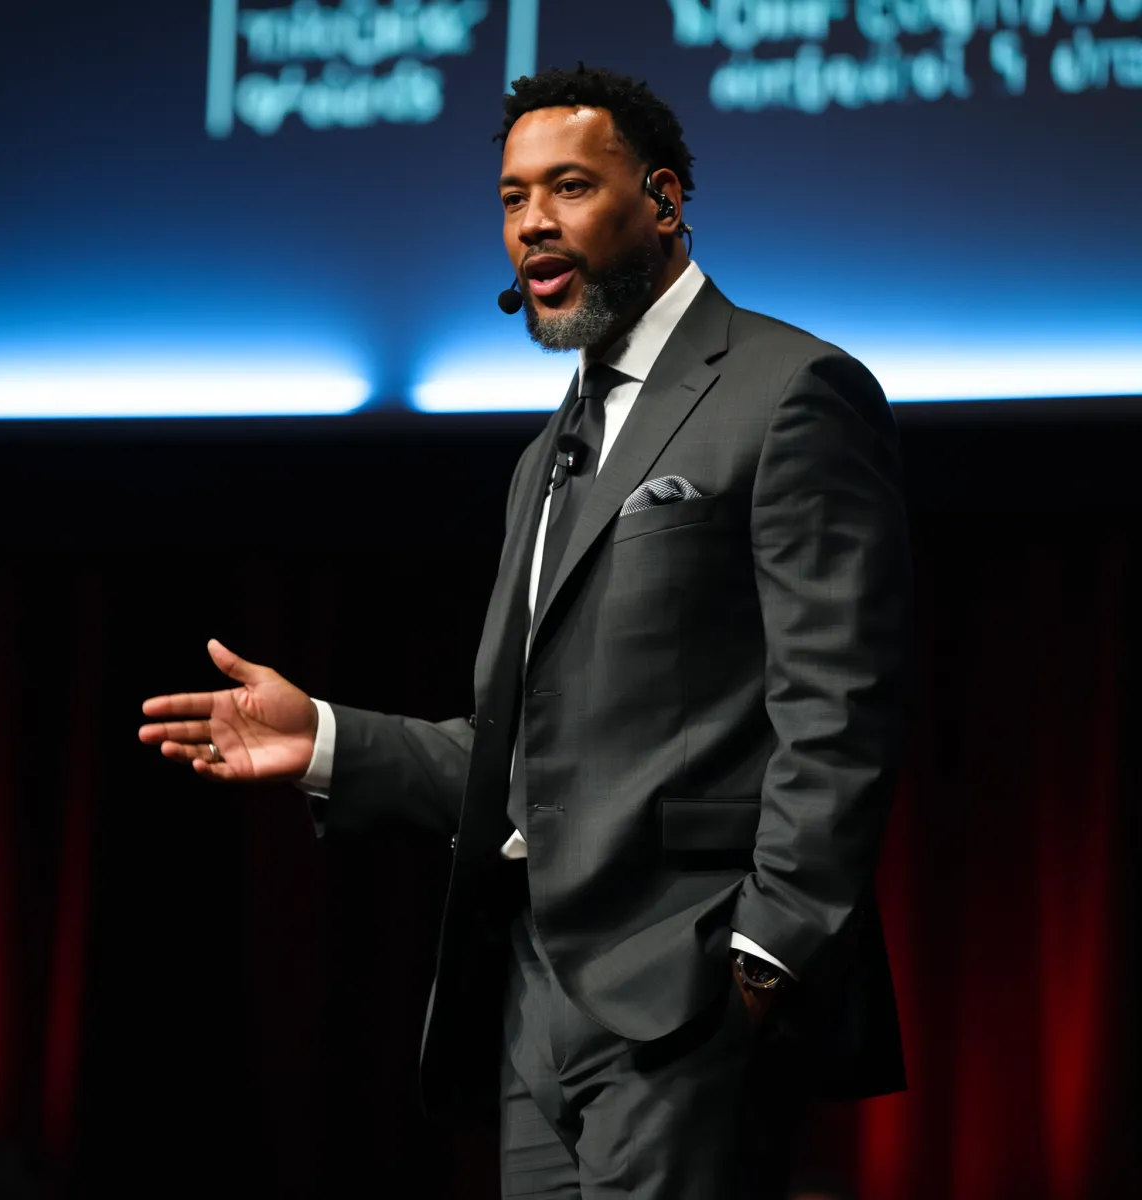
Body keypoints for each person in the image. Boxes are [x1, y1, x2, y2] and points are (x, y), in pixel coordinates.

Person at [139, 65, 914, 1199]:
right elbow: (529, 759)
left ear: (663, 200)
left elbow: (839, 704)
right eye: (512, 198)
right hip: (532, 1008)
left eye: (569, 187)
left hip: (689, 994)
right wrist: (326, 742)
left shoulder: (789, 391)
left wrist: (769, 953)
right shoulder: (543, 456)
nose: (532, 223)